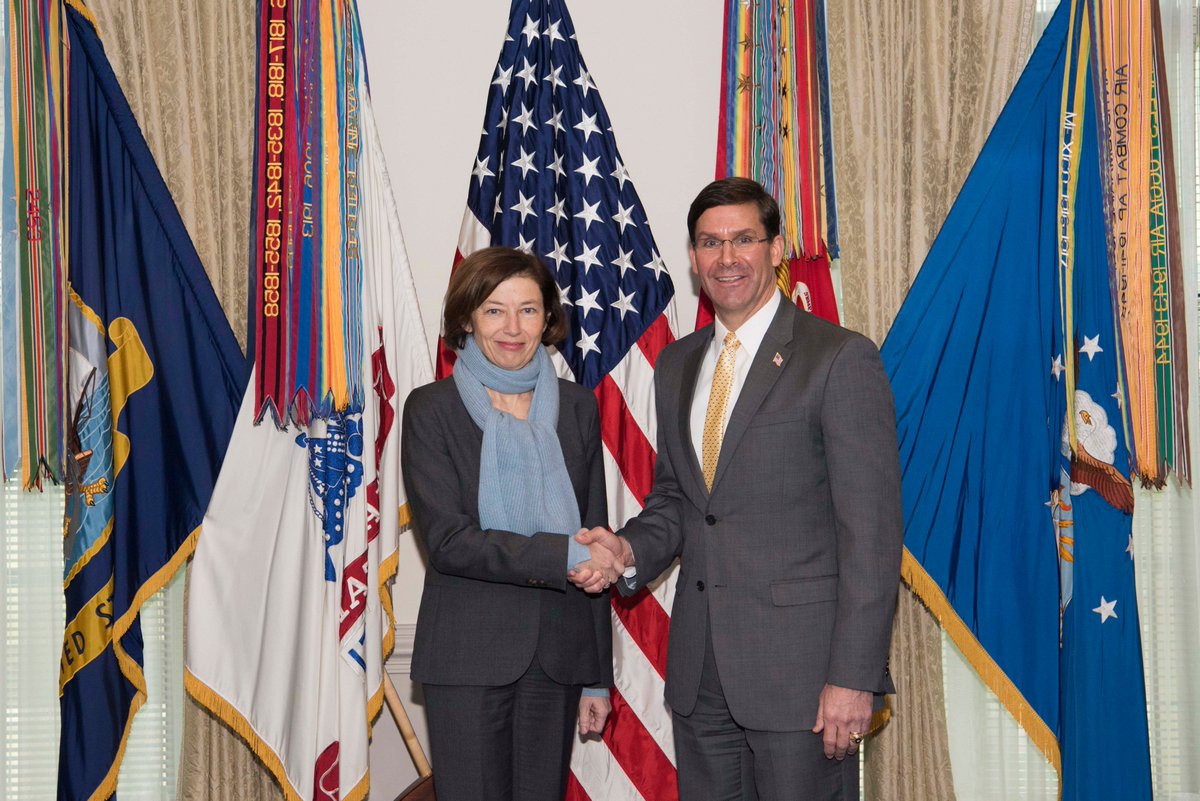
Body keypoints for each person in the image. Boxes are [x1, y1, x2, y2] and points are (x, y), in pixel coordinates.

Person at [571, 177, 904, 800]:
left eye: (743, 239)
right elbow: (679, 500)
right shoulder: (677, 364)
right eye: (709, 243)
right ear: (694, 258)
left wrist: (854, 676)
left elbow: (873, 537)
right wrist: (624, 551)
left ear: (776, 248)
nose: (727, 258)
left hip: (804, 683)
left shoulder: (838, 359)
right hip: (701, 679)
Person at [401, 247, 622, 801]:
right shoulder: (432, 409)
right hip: (467, 656)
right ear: (467, 318)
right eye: (495, 310)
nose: (513, 327)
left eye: (529, 310)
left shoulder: (576, 407)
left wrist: (598, 675)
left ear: (548, 319)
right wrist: (564, 556)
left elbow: (592, 535)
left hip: (559, 656)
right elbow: (450, 543)